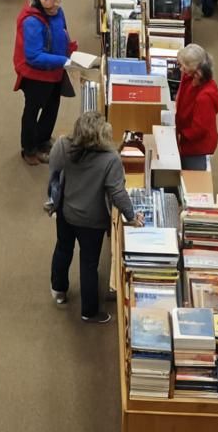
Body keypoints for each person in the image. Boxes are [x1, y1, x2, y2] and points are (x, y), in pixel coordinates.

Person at [49, 111, 144, 323]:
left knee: (63, 248)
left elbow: (54, 170)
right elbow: (117, 192)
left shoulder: (64, 145)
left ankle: (59, 290)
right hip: (92, 221)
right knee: (89, 263)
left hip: (66, 212)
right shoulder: (111, 160)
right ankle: (89, 311)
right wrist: (131, 216)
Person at [14, 0, 77, 165]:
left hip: (56, 71)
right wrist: (64, 60)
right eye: (53, 2)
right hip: (36, 76)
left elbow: (63, 31)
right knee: (33, 111)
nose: (57, 6)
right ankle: (29, 149)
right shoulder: (31, 21)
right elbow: (33, 56)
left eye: (59, 1)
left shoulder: (57, 11)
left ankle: (43, 140)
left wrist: (70, 49)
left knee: (52, 106)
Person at [174, 44, 218, 170]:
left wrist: (178, 134)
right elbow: (181, 96)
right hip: (184, 136)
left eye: (184, 65)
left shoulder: (205, 97)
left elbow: (199, 130)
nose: (181, 69)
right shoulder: (188, 76)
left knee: (193, 179)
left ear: (195, 68)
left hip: (196, 148)